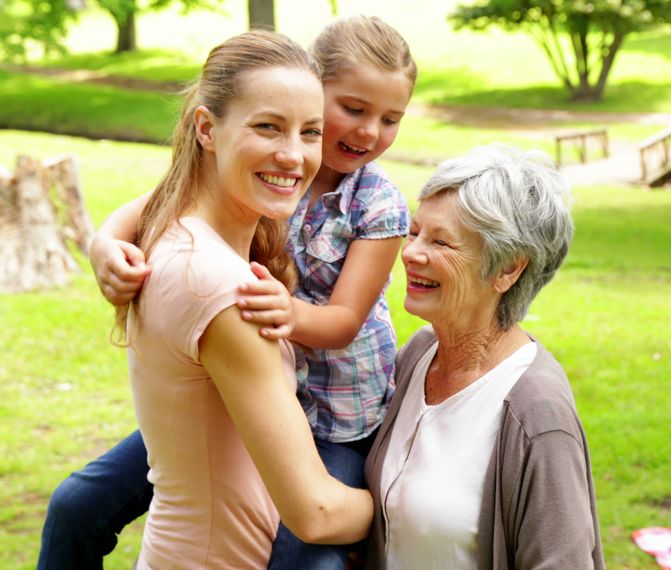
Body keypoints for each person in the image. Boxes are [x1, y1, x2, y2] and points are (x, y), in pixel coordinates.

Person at [38, 17, 413, 569]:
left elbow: (344, 320)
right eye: (352, 110)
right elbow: (158, 199)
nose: (366, 133)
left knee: (306, 557)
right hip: (256, 384)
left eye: (390, 119)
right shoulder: (255, 188)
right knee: (79, 501)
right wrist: (104, 244)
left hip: (334, 407)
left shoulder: (367, 200)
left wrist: (288, 311)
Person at [363, 144, 605, 569]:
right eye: (414, 231)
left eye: (440, 241)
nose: (411, 253)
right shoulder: (420, 354)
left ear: (508, 269)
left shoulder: (538, 413)